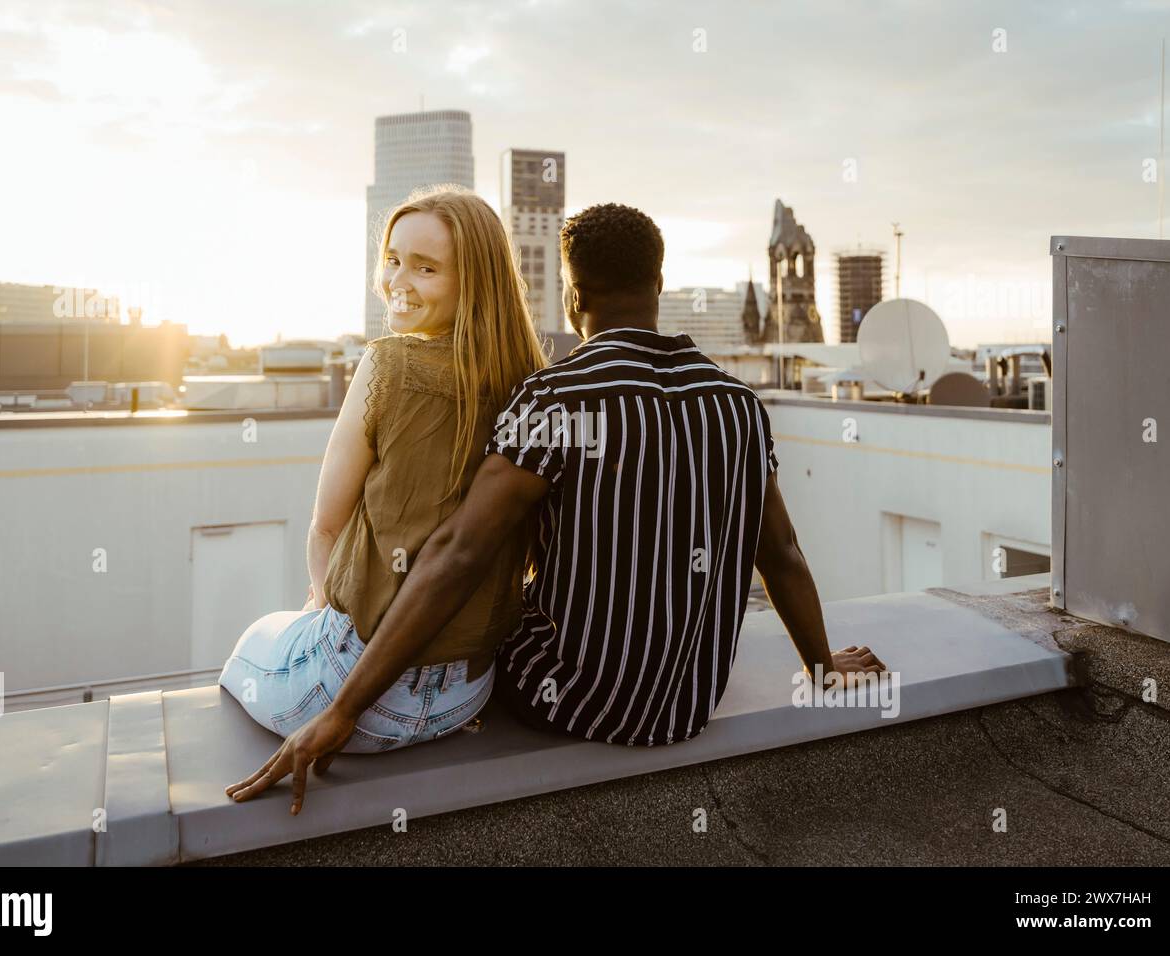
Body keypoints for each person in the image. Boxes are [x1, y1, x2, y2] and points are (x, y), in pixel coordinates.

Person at [228, 201, 884, 814]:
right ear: (658, 284)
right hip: (689, 702)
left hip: (567, 700)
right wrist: (821, 665)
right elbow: (782, 552)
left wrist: (344, 709)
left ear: (574, 299)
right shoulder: (736, 404)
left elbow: (459, 552)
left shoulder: (557, 398)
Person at [219, 185, 546, 810]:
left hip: (350, 694)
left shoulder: (388, 363)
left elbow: (325, 526)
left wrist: (322, 607)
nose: (397, 281)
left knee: (251, 640)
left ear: (474, 283)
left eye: (426, 268)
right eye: (393, 260)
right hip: (465, 696)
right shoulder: (532, 384)